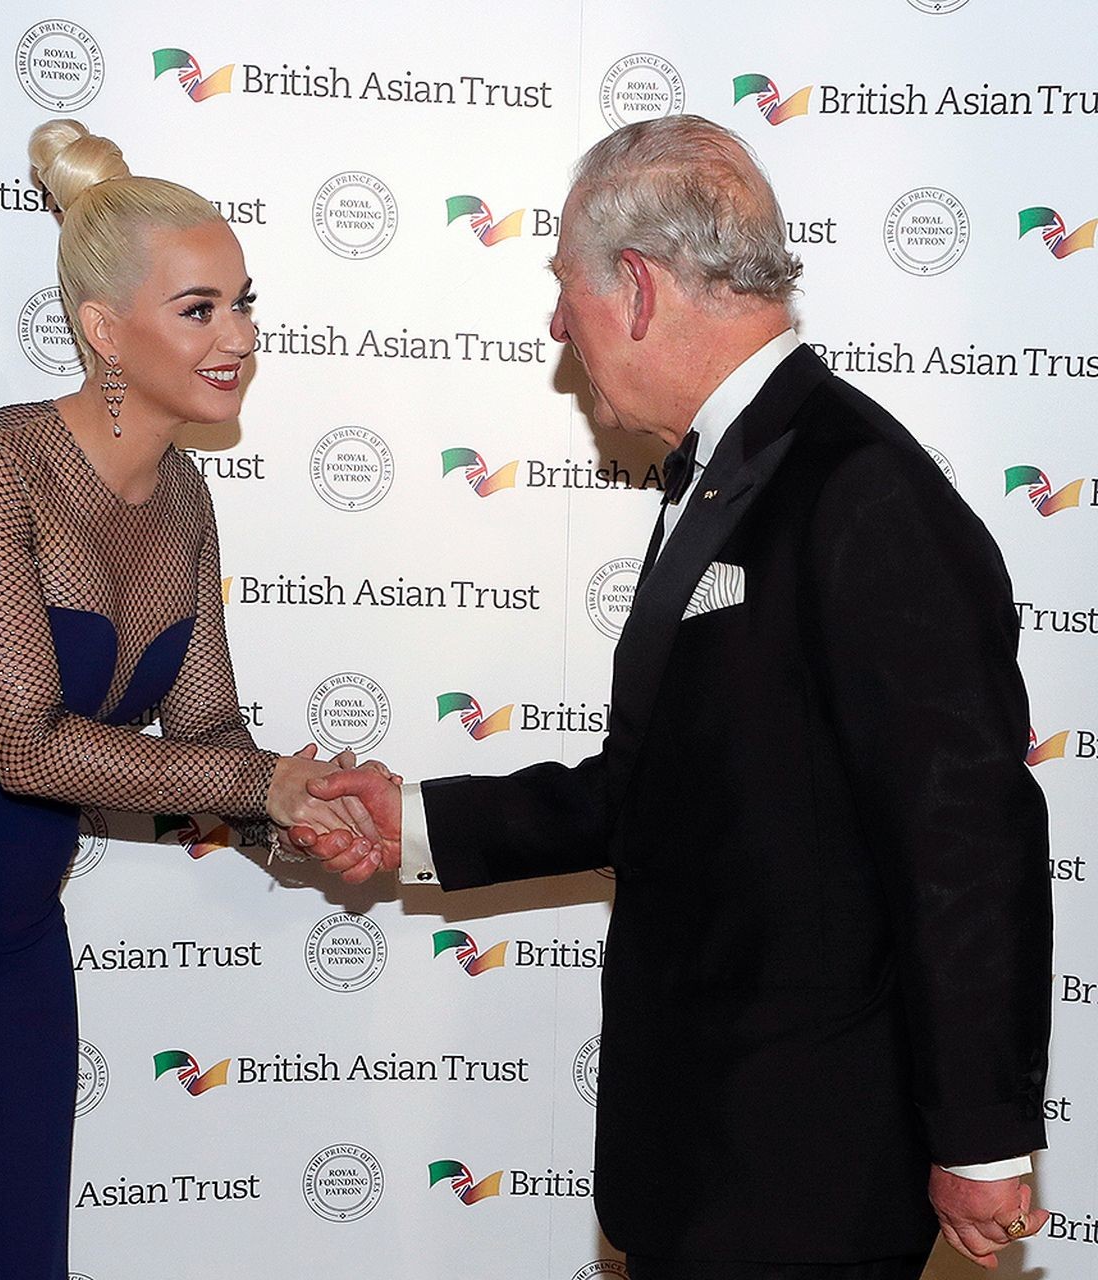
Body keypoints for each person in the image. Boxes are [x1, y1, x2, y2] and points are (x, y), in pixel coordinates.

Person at [298, 115, 1052, 1279]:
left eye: (567, 289)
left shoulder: (860, 489)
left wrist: (983, 1134)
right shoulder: (728, 473)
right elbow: (665, 785)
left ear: (639, 288)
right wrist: (415, 822)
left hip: (804, 1173)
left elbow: (964, 829)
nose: (559, 326)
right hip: (709, 1154)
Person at [0, 119, 378, 1278]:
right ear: (103, 329)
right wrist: (266, 783)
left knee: (13, 1249)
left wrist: (300, 814)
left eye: (244, 303)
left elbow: (206, 732)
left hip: (11, 933)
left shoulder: (185, 498)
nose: (240, 336)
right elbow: (26, 744)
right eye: (200, 309)